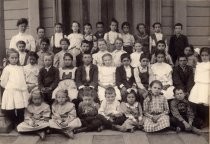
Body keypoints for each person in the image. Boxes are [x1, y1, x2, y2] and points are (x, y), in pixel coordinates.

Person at [1, 48, 29, 127]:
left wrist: (23, 87)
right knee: (10, 108)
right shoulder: (7, 69)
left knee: (20, 108)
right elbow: (3, 82)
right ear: (8, 59)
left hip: (20, 91)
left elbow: (23, 79)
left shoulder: (20, 68)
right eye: (12, 58)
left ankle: (20, 123)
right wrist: (10, 87)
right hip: (11, 91)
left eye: (16, 58)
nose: (14, 59)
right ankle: (15, 122)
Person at [189, 47, 210, 126]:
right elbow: (196, 76)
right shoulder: (199, 65)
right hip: (198, 84)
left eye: (206, 55)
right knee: (194, 101)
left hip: (207, 85)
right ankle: (200, 119)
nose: (204, 57)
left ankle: (206, 121)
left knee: (205, 103)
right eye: (202, 55)